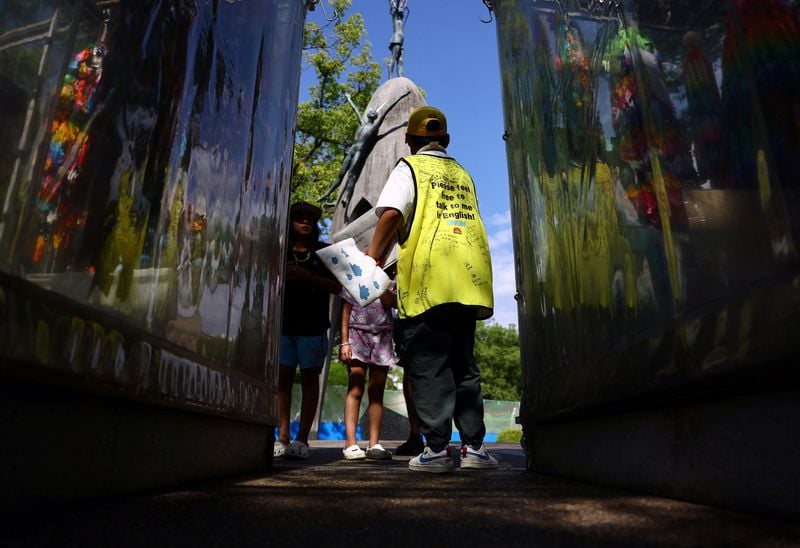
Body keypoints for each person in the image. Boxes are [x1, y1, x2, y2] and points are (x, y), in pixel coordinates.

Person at [366, 106, 498, 473]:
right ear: (447, 140)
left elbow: (392, 212)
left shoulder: (409, 168)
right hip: (468, 282)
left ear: (409, 140)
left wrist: (372, 258)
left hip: (428, 282)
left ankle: (437, 449)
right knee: (464, 366)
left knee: (428, 366)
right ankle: (474, 449)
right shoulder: (461, 172)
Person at [275, 201, 341, 460]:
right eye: (299, 218)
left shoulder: (324, 253)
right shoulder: (280, 252)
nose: (305, 222)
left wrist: (309, 278)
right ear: (290, 223)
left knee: (311, 378)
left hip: (313, 327)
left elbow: (338, 287)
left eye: (310, 219)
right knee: (283, 379)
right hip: (284, 325)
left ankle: (302, 439)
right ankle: (281, 437)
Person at [320, 91, 410, 220]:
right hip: (352, 150)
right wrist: (349, 98)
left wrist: (401, 96)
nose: (372, 112)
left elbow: (386, 111)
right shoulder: (363, 124)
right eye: (371, 111)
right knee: (341, 175)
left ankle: (346, 198)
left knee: (352, 176)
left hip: (359, 152)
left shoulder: (375, 128)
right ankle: (327, 193)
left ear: (374, 116)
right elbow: (355, 109)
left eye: (374, 112)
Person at [338, 277, 398, 461]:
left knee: (377, 392)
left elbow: (391, 303)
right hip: (357, 335)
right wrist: (344, 342)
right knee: (355, 387)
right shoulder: (353, 277)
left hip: (382, 337)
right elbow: (345, 311)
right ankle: (351, 443)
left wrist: (380, 280)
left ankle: (374, 444)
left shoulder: (391, 280)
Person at [388, 0, 407, 79]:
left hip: (401, 40)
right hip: (396, 39)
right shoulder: (395, 17)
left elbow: (403, 6)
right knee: (394, 57)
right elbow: (394, 5)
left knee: (400, 60)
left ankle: (400, 75)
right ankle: (390, 76)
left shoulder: (401, 19)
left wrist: (403, 6)